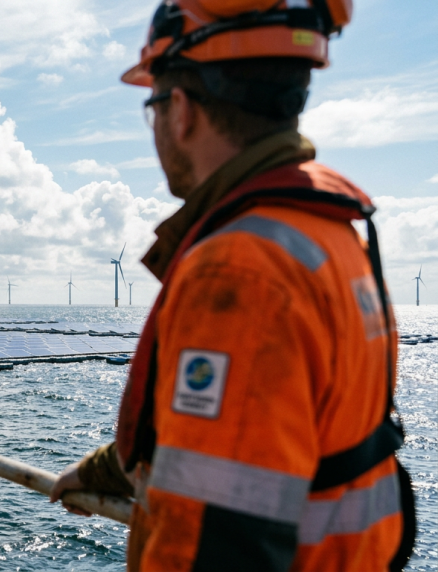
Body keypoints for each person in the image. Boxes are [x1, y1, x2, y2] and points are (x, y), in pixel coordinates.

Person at [49, 1, 416, 570]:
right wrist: (110, 468)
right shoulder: (333, 234)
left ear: (182, 111)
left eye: (152, 108)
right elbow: (265, 435)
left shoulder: (238, 272)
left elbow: (218, 539)